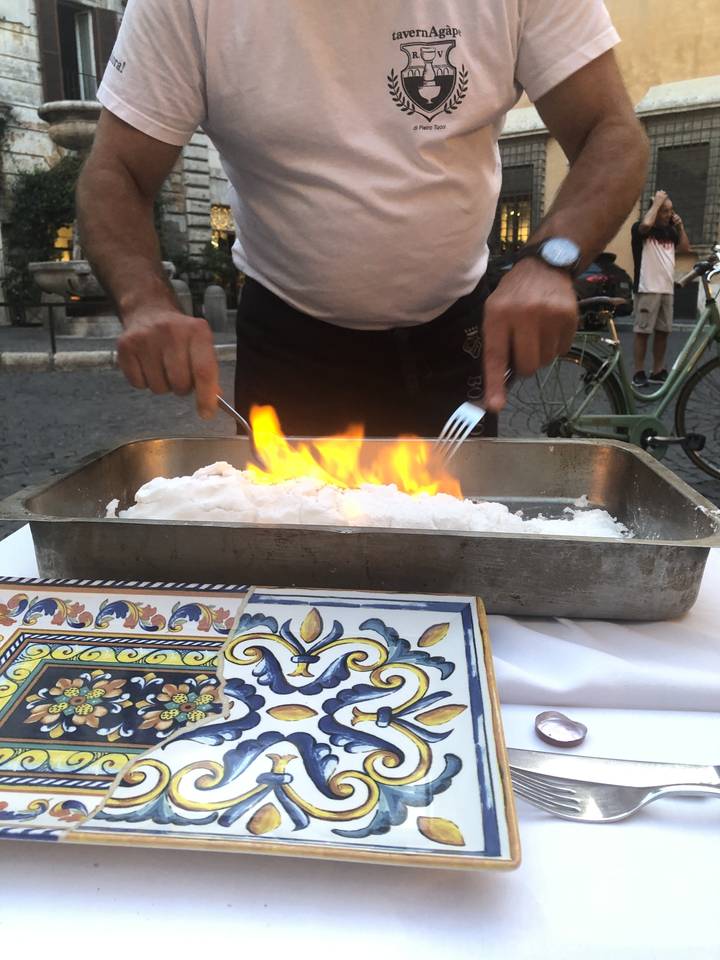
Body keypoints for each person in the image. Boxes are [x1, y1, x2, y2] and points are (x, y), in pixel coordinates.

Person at [77, 0, 648, 437]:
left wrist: (550, 262)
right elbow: (116, 171)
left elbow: (612, 134)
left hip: (458, 341)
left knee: (452, 557)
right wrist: (145, 301)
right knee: (283, 565)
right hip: (288, 344)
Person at [631, 191, 692, 387]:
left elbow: (684, 250)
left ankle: (657, 370)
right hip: (647, 288)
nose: (669, 214)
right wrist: (656, 203)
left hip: (667, 289)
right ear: (655, 211)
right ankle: (638, 372)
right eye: (665, 211)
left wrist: (681, 227)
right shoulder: (641, 229)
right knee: (643, 332)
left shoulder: (671, 232)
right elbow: (646, 225)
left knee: (663, 332)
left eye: (670, 210)